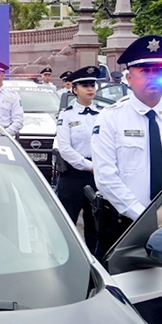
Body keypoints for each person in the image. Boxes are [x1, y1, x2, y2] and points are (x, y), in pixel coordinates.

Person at [91, 35, 162, 258]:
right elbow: (105, 177)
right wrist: (144, 218)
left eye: (159, 71)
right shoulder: (110, 118)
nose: (153, 76)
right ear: (128, 78)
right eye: (145, 71)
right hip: (123, 227)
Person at [55, 65, 105, 253]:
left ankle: (96, 264)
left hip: (97, 175)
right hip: (73, 176)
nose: (90, 89)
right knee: (68, 222)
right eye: (84, 85)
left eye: (92, 85)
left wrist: (98, 167)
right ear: (74, 90)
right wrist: (88, 166)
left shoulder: (102, 114)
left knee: (96, 225)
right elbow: (65, 148)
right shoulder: (66, 115)